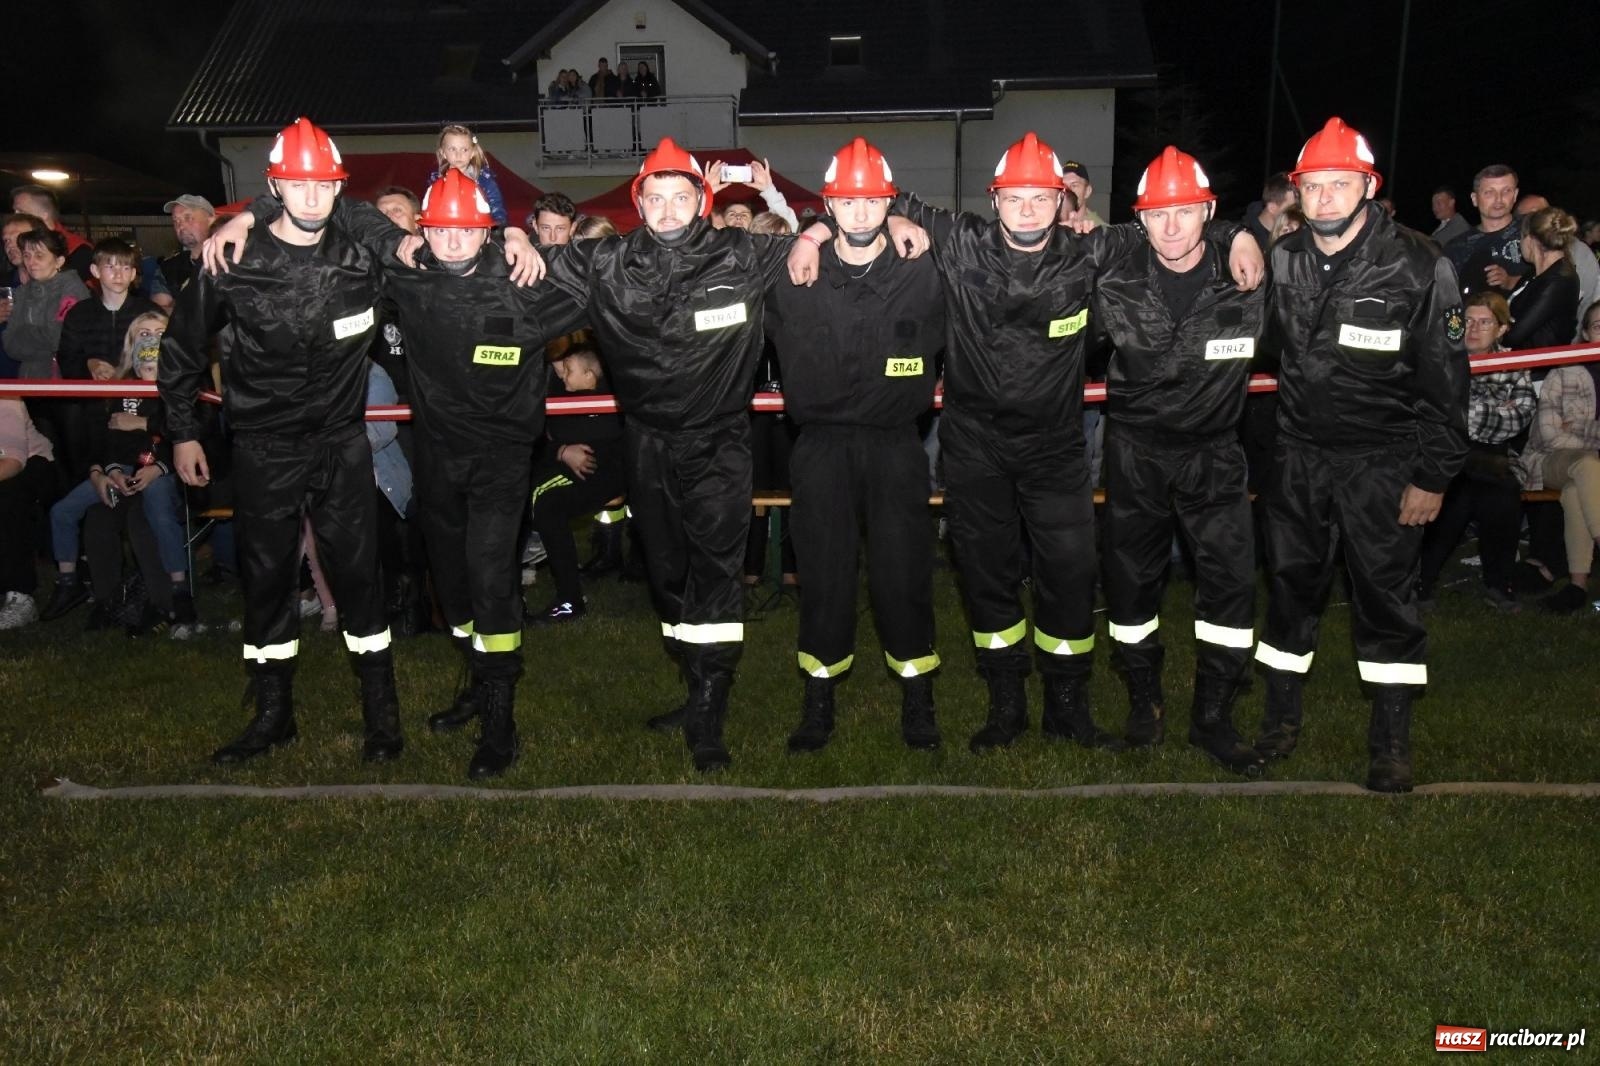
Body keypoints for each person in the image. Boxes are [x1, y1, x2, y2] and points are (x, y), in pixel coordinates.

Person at [791, 132, 1264, 754]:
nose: (1028, 209)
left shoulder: (1090, 252)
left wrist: (1240, 235)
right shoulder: (960, 242)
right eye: (1014, 198)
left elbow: (1176, 229)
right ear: (996, 201)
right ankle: (1005, 702)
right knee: (986, 575)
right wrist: (812, 234)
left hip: (1056, 446)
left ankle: (1066, 704)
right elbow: (867, 202)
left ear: (1061, 199)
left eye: (1040, 197)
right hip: (973, 445)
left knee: (1069, 574)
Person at [534, 137, 853, 772]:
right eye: (657, 198)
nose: (670, 209)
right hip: (646, 443)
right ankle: (695, 684)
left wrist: (815, 234)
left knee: (714, 570)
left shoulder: (741, 252)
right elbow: (524, 272)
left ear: (702, 201)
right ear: (639, 203)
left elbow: (838, 226)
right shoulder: (607, 263)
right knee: (667, 574)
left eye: (682, 197)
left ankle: (709, 708)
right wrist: (516, 243)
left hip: (718, 441)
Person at [162, 117, 404, 766]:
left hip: (342, 444)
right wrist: (183, 435)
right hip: (265, 449)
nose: (311, 197)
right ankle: (273, 715)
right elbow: (181, 350)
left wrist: (516, 234)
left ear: (337, 188)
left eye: (323, 185)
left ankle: (382, 715)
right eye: (295, 185)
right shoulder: (231, 259)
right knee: (266, 581)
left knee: (359, 578)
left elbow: (439, 259)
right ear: (275, 185)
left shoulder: (361, 259)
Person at [1253, 117, 1468, 794]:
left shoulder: (1419, 262)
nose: (1322, 200)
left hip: (1383, 462)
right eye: (1311, 187)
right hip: (1299, 458)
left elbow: (1446, 381)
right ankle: (1280, 721)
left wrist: (1432, 475)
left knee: (1386, 598)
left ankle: (1391, 740)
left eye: (1337, 185)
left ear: (1368, 188)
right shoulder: (1283, 260)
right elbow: (1252, 335)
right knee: (1290, 588)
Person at [1091, 146, 1269, 776]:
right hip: (1135, 449)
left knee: (1230, 581)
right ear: (1140, 218)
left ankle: (1213, 715)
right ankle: (1145, 704)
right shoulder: (1110, 269)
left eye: (1187, 212)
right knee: (1131, 580)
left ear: (1208, 211)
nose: (1172, 227)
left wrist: (1242, 234)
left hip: (1215, 453)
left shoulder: (1252, 271)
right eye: (1158, 213)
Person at [765, 137, 947, 752]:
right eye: (849, 200)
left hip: (897, 447)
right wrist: (806, 235)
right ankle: (818, 701)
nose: (863, 212)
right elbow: (709, 253)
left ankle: (918, 697)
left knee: (903, 574)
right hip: (819, 449)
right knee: (823, 576)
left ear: (889, 201)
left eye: (874, 200)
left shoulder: (922, 264)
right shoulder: (789, 269)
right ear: (829, 204)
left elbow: (1005, 246)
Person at [1417, 292, 1535, 610]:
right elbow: (1428, 410)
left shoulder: (1514, 363)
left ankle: (1499, 583)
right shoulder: (1440, 357)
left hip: (1495, 456)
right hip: (1444, 453)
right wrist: (1492, 410)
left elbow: (1519, 417)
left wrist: (1462, 411)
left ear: (1500, 329)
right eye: (1466, 320)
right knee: (1454, 490)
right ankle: (1422, 581)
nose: (1473, 328)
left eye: (1484, 322)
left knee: (1502, 493)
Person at [528, 346, 626, 623]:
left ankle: (570, 599)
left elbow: (572, 435)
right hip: (570, 469)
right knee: (530, 492)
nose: (563, 377)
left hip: (604, 474)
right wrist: (561, 450)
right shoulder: (561, 392)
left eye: (569, 371)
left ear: (589, 374)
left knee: (544, 501)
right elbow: (543, 436)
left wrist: (559, 445)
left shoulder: (614, 394)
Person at [1516, 299, 1600, 614]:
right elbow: (1550, 435)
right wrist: (1593, 434)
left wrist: (1577, 426)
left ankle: (1577, 586)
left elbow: (1566, 429)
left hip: (1585, 471)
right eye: (1598, 326)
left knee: (1579, 487)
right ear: (1586, 333)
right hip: (1549, 461)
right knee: (1588, 465)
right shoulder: (1565, 371)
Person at [0, 399, 57, 630]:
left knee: (7, 498)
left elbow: (13, 462)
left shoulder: (6, 398)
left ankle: (20, 594)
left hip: (30, 464)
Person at [1505, 206, 1581, 350]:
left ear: (1530, 240)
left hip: (1538, 369)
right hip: (1526, 364)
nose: (1519, 243)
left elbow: (1514, 336)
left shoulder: (1559, 280)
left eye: (1520, 237)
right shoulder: (1537, 273)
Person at [1444, 164, 1526, 297]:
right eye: (1489, 192)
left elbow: (1555, 276)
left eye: (1506, 191)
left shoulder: (1533, 233)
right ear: (1475, 199)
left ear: (1515, 194)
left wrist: (1511, 281)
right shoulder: (1457, 248)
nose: (1498, 199)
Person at [10, 185, 93, 282]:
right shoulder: (22, 245)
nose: (15, 218)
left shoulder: (78, 250)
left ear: (44, 215)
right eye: (15, 212)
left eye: (21, 212)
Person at [430, 124, 508, 226]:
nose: (459, 155)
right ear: (443, 153)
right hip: (447, 228)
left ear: (472, 153)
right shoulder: (436, 182)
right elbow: (430, 209)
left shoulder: (484, 180)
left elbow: (497, 208)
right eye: (452, 149)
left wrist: (496, 228)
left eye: (464, 150)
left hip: (477, 228)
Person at [158, 194, 216, 294]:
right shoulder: (168, 268)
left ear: (210, 221)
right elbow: (159, 306)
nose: (181, 226)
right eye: (176, 221)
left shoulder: (232, 260)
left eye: (188, 217)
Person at [1243, 172, 1298, 249]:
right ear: (1272, 208)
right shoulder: (1245, 241)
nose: (1297, 213)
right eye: (1291, 208)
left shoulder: (1299, 231)